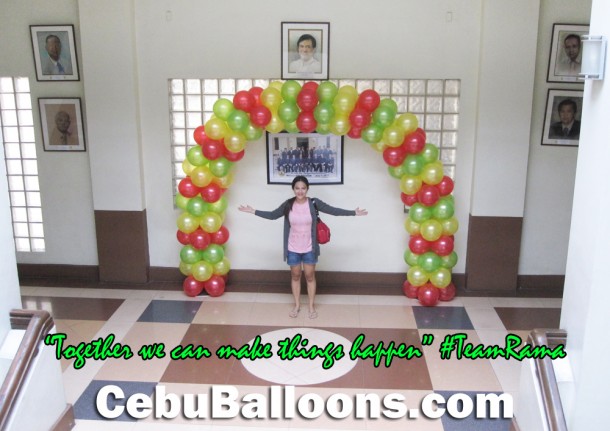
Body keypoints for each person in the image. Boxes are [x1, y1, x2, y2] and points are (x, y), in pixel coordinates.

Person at [238, 176, 367, 319]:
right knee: (295, 275)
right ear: (293, 189)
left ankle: (311, 306)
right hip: (292, 247)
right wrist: (253, 211)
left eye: (303, 188)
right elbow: (273, 215)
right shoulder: (288, 204)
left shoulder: (314, 203)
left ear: (307, 189)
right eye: (297, 188)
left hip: (309, 248)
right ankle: (297, 305)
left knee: (310, 276)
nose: (300, 191)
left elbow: (333, 210)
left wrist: (353, 212)